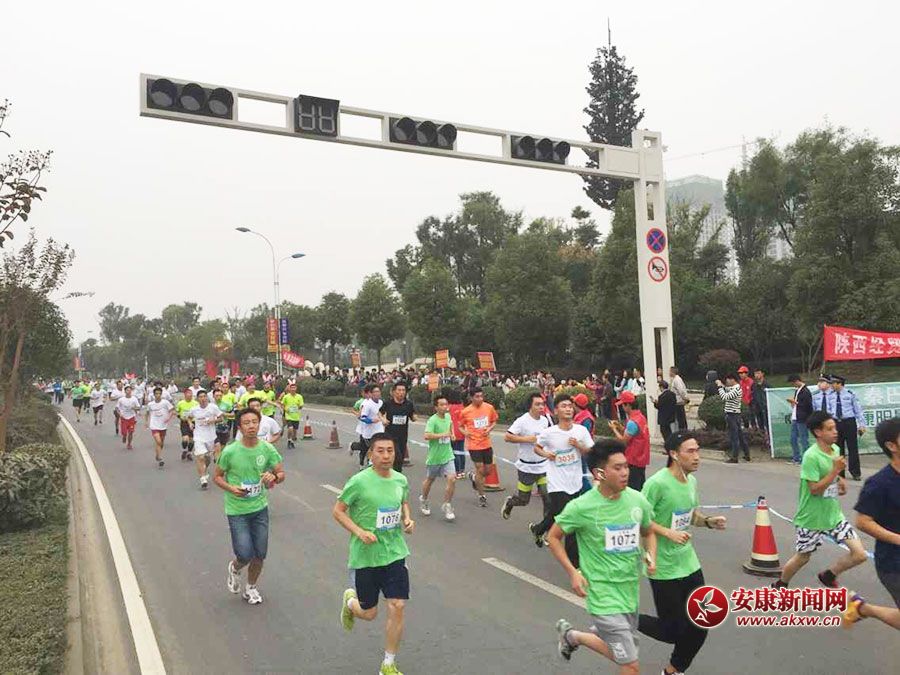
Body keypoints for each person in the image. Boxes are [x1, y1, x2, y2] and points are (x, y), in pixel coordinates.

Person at [551, 439, 656, 674]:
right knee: (630, 663)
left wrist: (651, 556)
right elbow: (553, 537)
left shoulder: (637, 500)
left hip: (629, 591)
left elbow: (648, 532)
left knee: (625, 653)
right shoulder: (581, 507)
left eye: (626, 466)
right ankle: (573, 637)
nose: (625, 472)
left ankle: (572, 637)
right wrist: (573, 572)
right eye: (617, 468)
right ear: (599, 473)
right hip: (602, 594)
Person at [639, 431, 727, 674]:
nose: (697, 456)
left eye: (698, 450)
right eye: (691, 451)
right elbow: (639, 519)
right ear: (674, 454)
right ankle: (625, 617)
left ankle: (673, 671)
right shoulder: (657, 484)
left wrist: (707, 521)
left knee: (701, 623)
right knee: (672, 630)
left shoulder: (691, 481)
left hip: (688, 562)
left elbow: (691, 515)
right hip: (662, 565)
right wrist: (667, 533)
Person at [334, 433, 414, 675]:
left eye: (390, 450)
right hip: (366, 555)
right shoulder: (359, 481)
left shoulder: (400, 479)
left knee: (397, 605)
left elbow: (403, 502)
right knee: (369, 613)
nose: (386, 456)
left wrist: (408, 519)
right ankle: (351, 603)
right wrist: (359, 532)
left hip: (395, 552)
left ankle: (388, 664)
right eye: (380, 451)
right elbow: (338, 511)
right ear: (370, 454)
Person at [772, 411, 869, 590]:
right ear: (818, 432)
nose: (835, 432)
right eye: (830, 429)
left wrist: (840, 480)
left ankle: (828, 575)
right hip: (811, 518)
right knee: (803, 557)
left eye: (835, 428)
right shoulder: (811, 456)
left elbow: (832, 475)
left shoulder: (835, 449)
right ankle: (780, 584)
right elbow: (814, 489)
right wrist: (835, 471)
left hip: (834, 516)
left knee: (860, 554)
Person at [217, 407, 285, 605]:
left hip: (259, 508)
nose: (251, 426)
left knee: (260, 554)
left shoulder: (267, 449)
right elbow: (217, 477)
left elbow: (281, 474)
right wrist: (232, 488)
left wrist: (274, 477)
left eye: (254, 422)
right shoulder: (230, 451)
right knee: (245, 554)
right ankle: (235, 567)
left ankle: (251, 587)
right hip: (237, 510)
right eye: (246, 423)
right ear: (239, 427)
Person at [845, 416, 900, 630]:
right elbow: (863, 521)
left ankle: (861, 608)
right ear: (891, 446)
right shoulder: (879, 484)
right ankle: (864, 609)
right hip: (894, 563)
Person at [529, 395, 594, 558]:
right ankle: (575, 563)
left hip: (575, 482)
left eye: (570, 406)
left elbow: (591, 451)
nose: (568, 409)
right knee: (570, 520)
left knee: (559, 514)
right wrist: (546, 454)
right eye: (564, 406)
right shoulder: (549, 433)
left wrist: (578, 445)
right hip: (556, 483)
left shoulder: (581, 431)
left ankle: (538, 529)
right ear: (556, 410)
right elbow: (537, 447)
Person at [501, 392, 552, 521]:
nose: (541, 407)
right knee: (523, 500)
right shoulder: (522, 421)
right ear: (530, 406)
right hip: (527, 467)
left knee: (547, 497)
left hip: (543, 465)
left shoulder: (545, 420)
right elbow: (507, 437)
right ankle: (510, 502)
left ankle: (545, 527)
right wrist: (527, 439)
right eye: (537, 404)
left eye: (542, 404)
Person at [459, 387, 499, 508]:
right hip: (474, 445)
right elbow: (460, 426)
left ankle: (473, 477)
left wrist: (489, 429)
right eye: (477, 396)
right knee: (480, 469)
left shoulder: (489, 408)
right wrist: (466, 433)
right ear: (471, 398)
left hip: (486, 444)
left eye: (481, 396)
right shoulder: (466, 412)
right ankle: (482, 496)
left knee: (488, 471)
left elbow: (494, 421)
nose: (480, 399)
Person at [420, 394, 457, 521]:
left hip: (448, 455)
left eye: (446, 404)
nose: (445, 406)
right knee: (430, 480)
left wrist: (452, 434)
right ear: (436, 407)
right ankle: (424, 499)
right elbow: (426, 436)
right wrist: (443, 435)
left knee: (452, 479)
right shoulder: (432, 420)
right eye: (441, 405)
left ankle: (447, 505)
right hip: (435, 457)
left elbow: (450, 426)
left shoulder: (448, 416)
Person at [609, 391, 650, 490]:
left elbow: (623, 441)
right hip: (641, 458)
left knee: (633, 488)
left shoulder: (632, 422)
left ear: (628, 405)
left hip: (633, 459)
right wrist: (620, 427)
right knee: (640, 486)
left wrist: (614, 429)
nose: (622, 408)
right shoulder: (640, 417)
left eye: (623, 405)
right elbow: (634, 433)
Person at [831, 375, 867, 481]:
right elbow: (829, 410)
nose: (832, 385)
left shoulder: (850, 394)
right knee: (838, 449)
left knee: (852, 448)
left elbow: (858, 410)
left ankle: (855, 472)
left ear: (840, 384)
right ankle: (840, 473)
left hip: (849, 422)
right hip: (836, 423)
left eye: (834, 383)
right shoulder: (830, 395)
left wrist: (861, 425)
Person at [187, 390, 224, 490]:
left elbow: (221, 418)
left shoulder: (213, 407)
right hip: (199, 436)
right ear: (197, 399)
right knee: (201, 457)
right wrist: (190, 423)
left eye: (204, 396)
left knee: (207, 459)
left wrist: (213, 420)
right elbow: (189, 417)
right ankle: (203, 479)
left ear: (207, 398)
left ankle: (204, 469)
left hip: (211, 437)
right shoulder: (194, 409)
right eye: (200, 397)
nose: (203, 399)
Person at [381, 381, 416, 472]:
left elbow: (412, 415)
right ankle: (394, 473)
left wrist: (414, 417)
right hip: (390, 435)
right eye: (399, 390)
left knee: (400, 459)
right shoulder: (388, 403)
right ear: (394, 392)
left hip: (403, 436)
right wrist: (383, 419)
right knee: (397, 456)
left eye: (403, 390)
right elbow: (379, 413)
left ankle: (395, 474)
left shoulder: (409, 404)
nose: (401, 392)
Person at [717, 374, 750, 464]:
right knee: (740, 436)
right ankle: (747, 454)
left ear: (732, 380)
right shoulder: (735, 388)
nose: (727, 382)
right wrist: (722, 386)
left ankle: (734, 457)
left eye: (728, 380)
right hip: (735, 414)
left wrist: (720, 387)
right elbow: (727, 390)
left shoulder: (736, 389)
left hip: (732, 415)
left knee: (734, 437)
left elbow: (724, 397)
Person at [355, 384, 385, 468]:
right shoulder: (367, 404)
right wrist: (371, 420)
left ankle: (372, 463)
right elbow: (362, 417)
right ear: (371, 393)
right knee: (365, 449)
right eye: (375, 392)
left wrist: (384, 420)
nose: (377, 393)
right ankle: (363, 464)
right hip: (369, 432)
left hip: (379, 430)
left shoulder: (381, 403)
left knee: (377, 448)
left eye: (378, 391)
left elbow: (383, 414)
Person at [145, 386, 174, 468]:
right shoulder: (150, 404)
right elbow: (147, 413)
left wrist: (168, 418)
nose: (158, 395)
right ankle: (160, 458)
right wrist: (146, 422)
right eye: (156, 394)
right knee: (158, 441)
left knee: (161, 443)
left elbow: (172, 410)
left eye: (159, 394)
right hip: (154, 425)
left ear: (161, 394)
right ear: (154, 395)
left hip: (163, 425)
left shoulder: (165, 403)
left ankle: (157, 455)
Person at [787, 374, 813, 465]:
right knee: (793, 438)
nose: (793, 385)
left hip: (802, 418)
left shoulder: (806, 391)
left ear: (797, 381)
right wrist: (794, 403)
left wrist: (796, 402)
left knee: (803, 439)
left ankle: (806, 458)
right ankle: (796, 457)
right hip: (796, 416)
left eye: (793, 383)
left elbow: (808, 406)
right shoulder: (797, 391)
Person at [447, 388, 467, 479]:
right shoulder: (462, 407)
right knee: (461, 451)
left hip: (453, 432)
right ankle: (462, 470)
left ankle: (457, 471)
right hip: (462, 431)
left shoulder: (450, 408)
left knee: (454, 452)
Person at [279, 381, 305, 449]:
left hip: (296, 416)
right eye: (292, 388)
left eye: (294, 388)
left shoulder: (299, 396)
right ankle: (289, 440)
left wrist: (298, 407)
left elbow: (301, 406)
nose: (293, 389)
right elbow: (282, 404)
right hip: (288, 416)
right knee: (290, 428)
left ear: (296, 389)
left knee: (294, 432)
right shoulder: (286, 396)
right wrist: (285, 409)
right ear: (289, 389)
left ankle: (292, 441)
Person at [176, 388, 199, 461]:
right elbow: (177, 412)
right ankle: (184, 450)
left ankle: (189, 453)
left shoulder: (196, 403)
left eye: (191, 394)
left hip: (193, 422)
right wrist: (180, 417)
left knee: (191, 440)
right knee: (185, 439)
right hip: (184, 423)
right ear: (185, 395)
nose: (190, 396)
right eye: (188, 394)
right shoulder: (180, 403)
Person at [116, 385, 142, 450]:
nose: (129, 391)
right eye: (127, 390)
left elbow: (138, 407)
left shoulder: (134, 399)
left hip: (131, 418)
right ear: (125, 391)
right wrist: (119, 414)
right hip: (124, 418)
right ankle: (124, 436)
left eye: (130, 390)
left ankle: (129, 444)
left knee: (131, 432)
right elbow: (117, 408)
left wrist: (134, 408)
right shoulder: (121, 399)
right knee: (124, 432)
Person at [212, 389, 233, 462]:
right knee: (217, 446)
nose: (218, 397)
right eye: (217, 395)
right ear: (213, 396)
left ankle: (217, 456)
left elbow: (233, 414)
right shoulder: (210, 406)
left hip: (224, 428)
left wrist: (223, 414)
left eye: (220, 395)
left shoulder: (227, 405)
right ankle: (217, 460)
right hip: (212, 428)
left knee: (222, 447)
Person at [669, 367, 689, 431]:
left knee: (681, 419)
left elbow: (681, 390)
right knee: (680, 418)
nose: (669, 373)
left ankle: (683, 431)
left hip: (679, 402)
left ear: (673, 372)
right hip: (677, 402)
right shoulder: (675, 379)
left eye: (670, 371)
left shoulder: (677, 380)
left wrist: (684, 398)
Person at [752, 368, 769, 432]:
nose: (757, 375)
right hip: (757, 408)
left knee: (767, 424)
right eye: (755, 374)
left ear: (762, 374)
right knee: (760, 424)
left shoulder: (767, 385)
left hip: (766, 407)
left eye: (758, 373)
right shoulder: (753, 385)